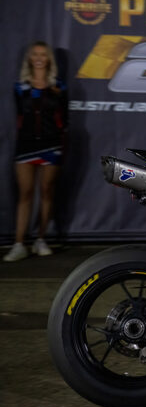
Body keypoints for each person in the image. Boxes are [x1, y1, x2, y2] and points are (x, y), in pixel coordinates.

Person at [4, 41, 68, 262]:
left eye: (43, 54)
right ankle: (19, 244)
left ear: (49, 59)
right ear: (29, 59)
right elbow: (19, 117)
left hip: (52, 145)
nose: (39, 58)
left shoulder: (58, 87)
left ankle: (41, 239)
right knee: (26, 193)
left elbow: (64, 119)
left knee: (47, 191)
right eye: (35, 54)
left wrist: (60, 141)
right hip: (26, 146)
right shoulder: (20, 87)